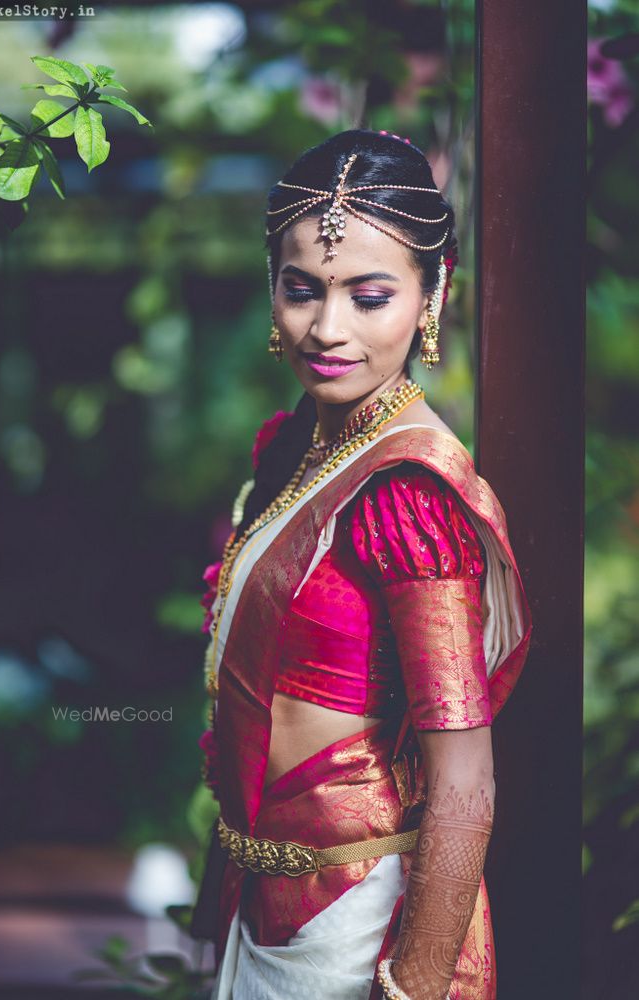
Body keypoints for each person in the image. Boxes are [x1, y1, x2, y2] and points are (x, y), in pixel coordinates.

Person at [190, 129, 532, 1000]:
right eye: (301, 290)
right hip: (256, 900)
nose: (326, 328)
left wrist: (412, 983)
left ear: (432, 293)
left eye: (368, 296)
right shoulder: (293, 449)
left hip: (349, 921)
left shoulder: (407, 495)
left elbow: (465, 781)